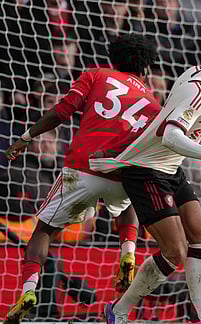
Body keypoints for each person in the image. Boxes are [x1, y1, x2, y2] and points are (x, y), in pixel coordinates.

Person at [91, 47, 201, 324]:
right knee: (175, 252)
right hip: (148, 170)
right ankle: (118, 311)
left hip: (170, 167)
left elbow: (190, 101)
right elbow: (171, 135)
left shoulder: (196, 72)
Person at [3, 34, 160, 324]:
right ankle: (128, 252)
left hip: (83, 167)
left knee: (44, 231)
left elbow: (62, 112)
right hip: (119, 171)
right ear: (147, 67)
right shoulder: (152, 102)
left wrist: (27, 137)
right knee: (128, 201)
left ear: (115, 59)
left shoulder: (96, 75)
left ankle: (28, 290)